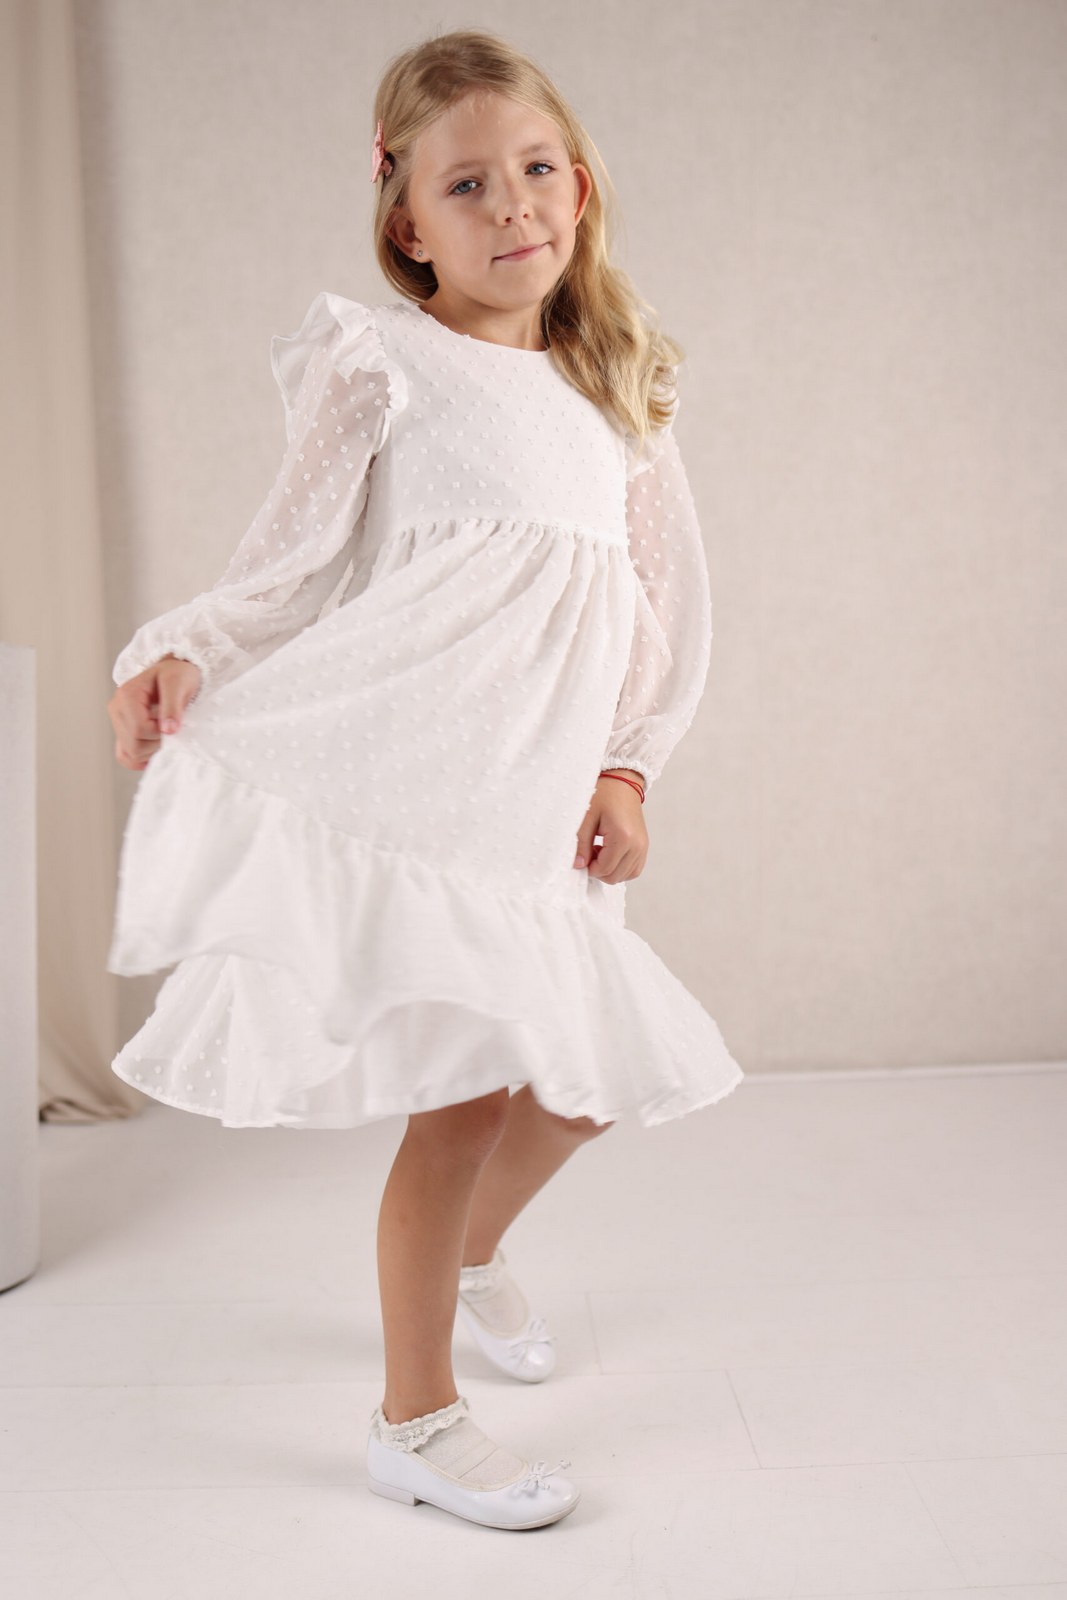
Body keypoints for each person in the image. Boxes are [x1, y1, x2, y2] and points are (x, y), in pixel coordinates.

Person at [105, 27, 744, 1531]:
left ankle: (469, 1259)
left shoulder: (618, 390)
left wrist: (629, 769)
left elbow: (666, 608)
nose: (511, 204)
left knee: (575, 1088)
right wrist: (185, 647)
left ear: (580, 187)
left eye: (536, 170)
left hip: (545, 802)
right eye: (468, 185)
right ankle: (416, 1419)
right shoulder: (385, 364)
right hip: (430, 784)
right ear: (408, 223)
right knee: (458, 1105)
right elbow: (287, 561)